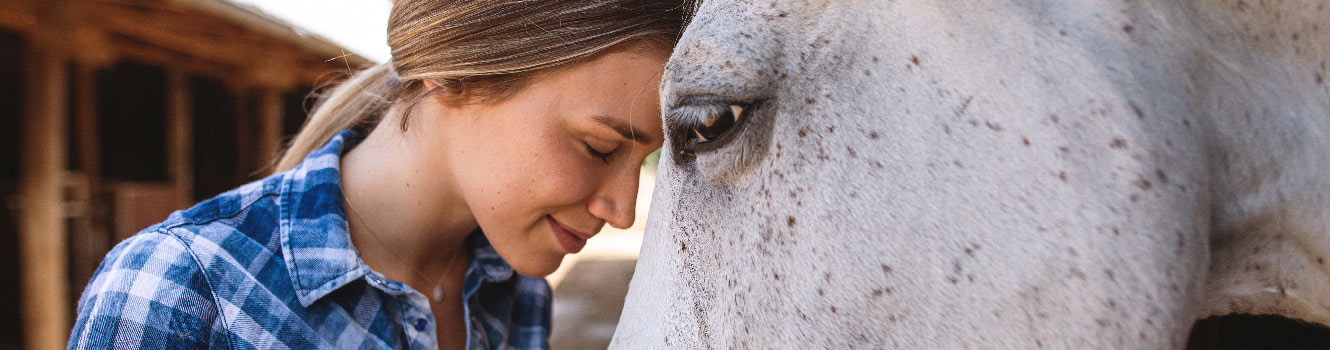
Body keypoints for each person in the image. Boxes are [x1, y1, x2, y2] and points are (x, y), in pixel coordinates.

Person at [67, 1, 687, 348]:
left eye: (645, 161)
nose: (624, 210)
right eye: (600, 147)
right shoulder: (184, 290)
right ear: (454, 74)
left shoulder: (513, 291)